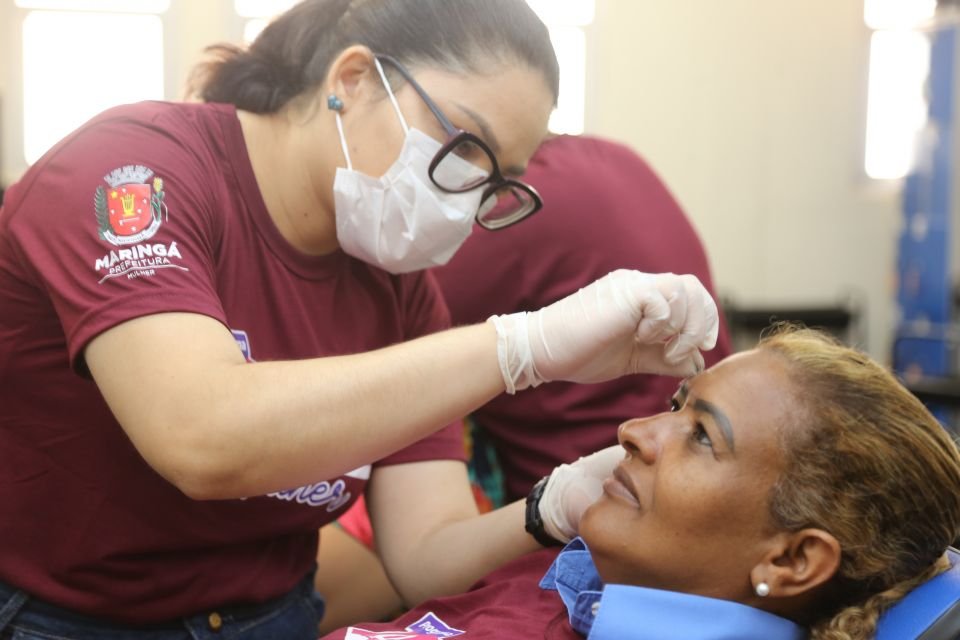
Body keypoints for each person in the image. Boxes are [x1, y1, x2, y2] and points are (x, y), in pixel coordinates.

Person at [0, 1, 721, 639]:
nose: (470, 200)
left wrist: (557, 504)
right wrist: (522, 346)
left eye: (499, 181)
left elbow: (423, 557)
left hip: (275, 615)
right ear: (352, 80)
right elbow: (202, 438)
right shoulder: (137, 172)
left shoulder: (398, 292)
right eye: (465, 144)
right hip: (60, 617)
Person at [314, 134, 734, 631]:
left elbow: (344, 369)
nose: (634, 431)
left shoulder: (515, 201)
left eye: (703, 433)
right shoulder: (608, 161)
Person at [319, 326, 960, 640]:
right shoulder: (592, 576)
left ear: (792, 558)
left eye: (702, 435)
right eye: (677, 405)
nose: (633, 430)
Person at [433, 133, 734, 502]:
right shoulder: (612, 158)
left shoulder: (514, 200)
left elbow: (397, 335)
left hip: (603, 507)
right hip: (683, 490)